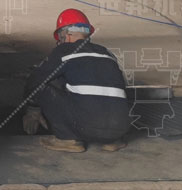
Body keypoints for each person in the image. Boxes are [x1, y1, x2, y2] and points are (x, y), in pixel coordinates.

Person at [22, 8, 130, 153]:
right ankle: (112, 141)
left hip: (85, 128)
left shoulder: (65, 51)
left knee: (44, 84)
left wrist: (33, 109)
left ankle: (67, 139)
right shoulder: (106, 53)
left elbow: (36, 80)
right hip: (120, 128)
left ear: (66, 35)